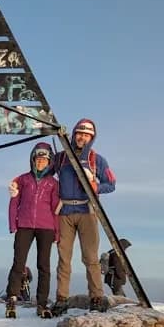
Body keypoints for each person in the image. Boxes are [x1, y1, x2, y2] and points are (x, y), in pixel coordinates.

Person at [52, 119, 116, 314]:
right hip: (65, 213)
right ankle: (62, 298)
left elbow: (111, 184)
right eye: (79, 133)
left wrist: (97, 187)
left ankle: (96, 297)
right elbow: (43, 173)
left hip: (87, 211)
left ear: (92, 137)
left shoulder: (97, 160)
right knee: (64, 258)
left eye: (87, 135)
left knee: (91, 257)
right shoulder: (61, 157)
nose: (82, 137)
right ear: (74, 134)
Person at [5, 142, 61, 318]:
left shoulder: (53, 183)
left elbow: (56, 209)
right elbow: (14, 202)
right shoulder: (23, 179)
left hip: (46, 227)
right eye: (38, 159)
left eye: (44, 160)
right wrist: (13, 224)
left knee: (44, 265)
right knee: (18, 263)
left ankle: (42, 303)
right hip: (25, 225)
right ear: (32, 159)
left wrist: (57, 231)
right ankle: (12, 299)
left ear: (49, 161)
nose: (40, 162)